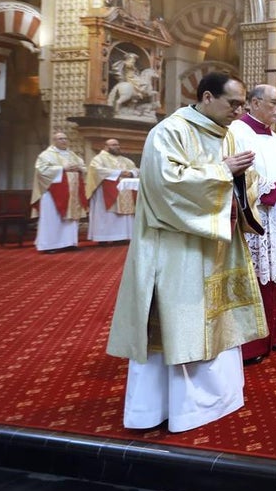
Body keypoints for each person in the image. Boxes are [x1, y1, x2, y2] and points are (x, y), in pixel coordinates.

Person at [106, 71, 266, 432]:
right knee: (180, 323)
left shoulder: (227, 134)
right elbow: (165, 186)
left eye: (242, 105)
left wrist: (240, 178)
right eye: (234, 104)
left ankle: (217, 398)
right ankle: (174, 408)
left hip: (216, 247)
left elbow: (240, 184)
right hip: (177, 249)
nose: (239, 112)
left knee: (216, 319)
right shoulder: (169, 131)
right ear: (207, 97)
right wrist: (224, 171)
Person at [229, 84, 276, 366]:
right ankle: (251, 343)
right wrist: (272, 191)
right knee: (254, 273)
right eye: (274, 103)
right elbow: (236, 174)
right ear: (255, 103)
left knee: (274, 274)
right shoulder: (236, 132)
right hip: (253, 219)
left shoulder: (275, 138)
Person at [31, 131, 87, 253]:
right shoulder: (46, 155)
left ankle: (69, 243)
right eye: (60, 139)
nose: (63, 141)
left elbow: (83, 167)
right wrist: (62, 168)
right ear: (54, 141)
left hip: (72, 192)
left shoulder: (72, 155)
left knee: (71, 219)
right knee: (53, 218)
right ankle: (50, 245)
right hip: (52, 193)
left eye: (65, 138)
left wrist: (80, 168)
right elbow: (41, 170)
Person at [86, 139, 138, 244]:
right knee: (107, 215)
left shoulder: (125, 160)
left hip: (124, 192)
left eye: (118, 145)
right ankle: (103, 238)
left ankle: (122, 236)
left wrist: (131, 173)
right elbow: (96, 170)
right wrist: (119, 173)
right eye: (114, 145)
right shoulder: (99, 159)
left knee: (123, 216)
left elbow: (136, 169)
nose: (117, 147)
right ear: (106, 146)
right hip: (106, 192)